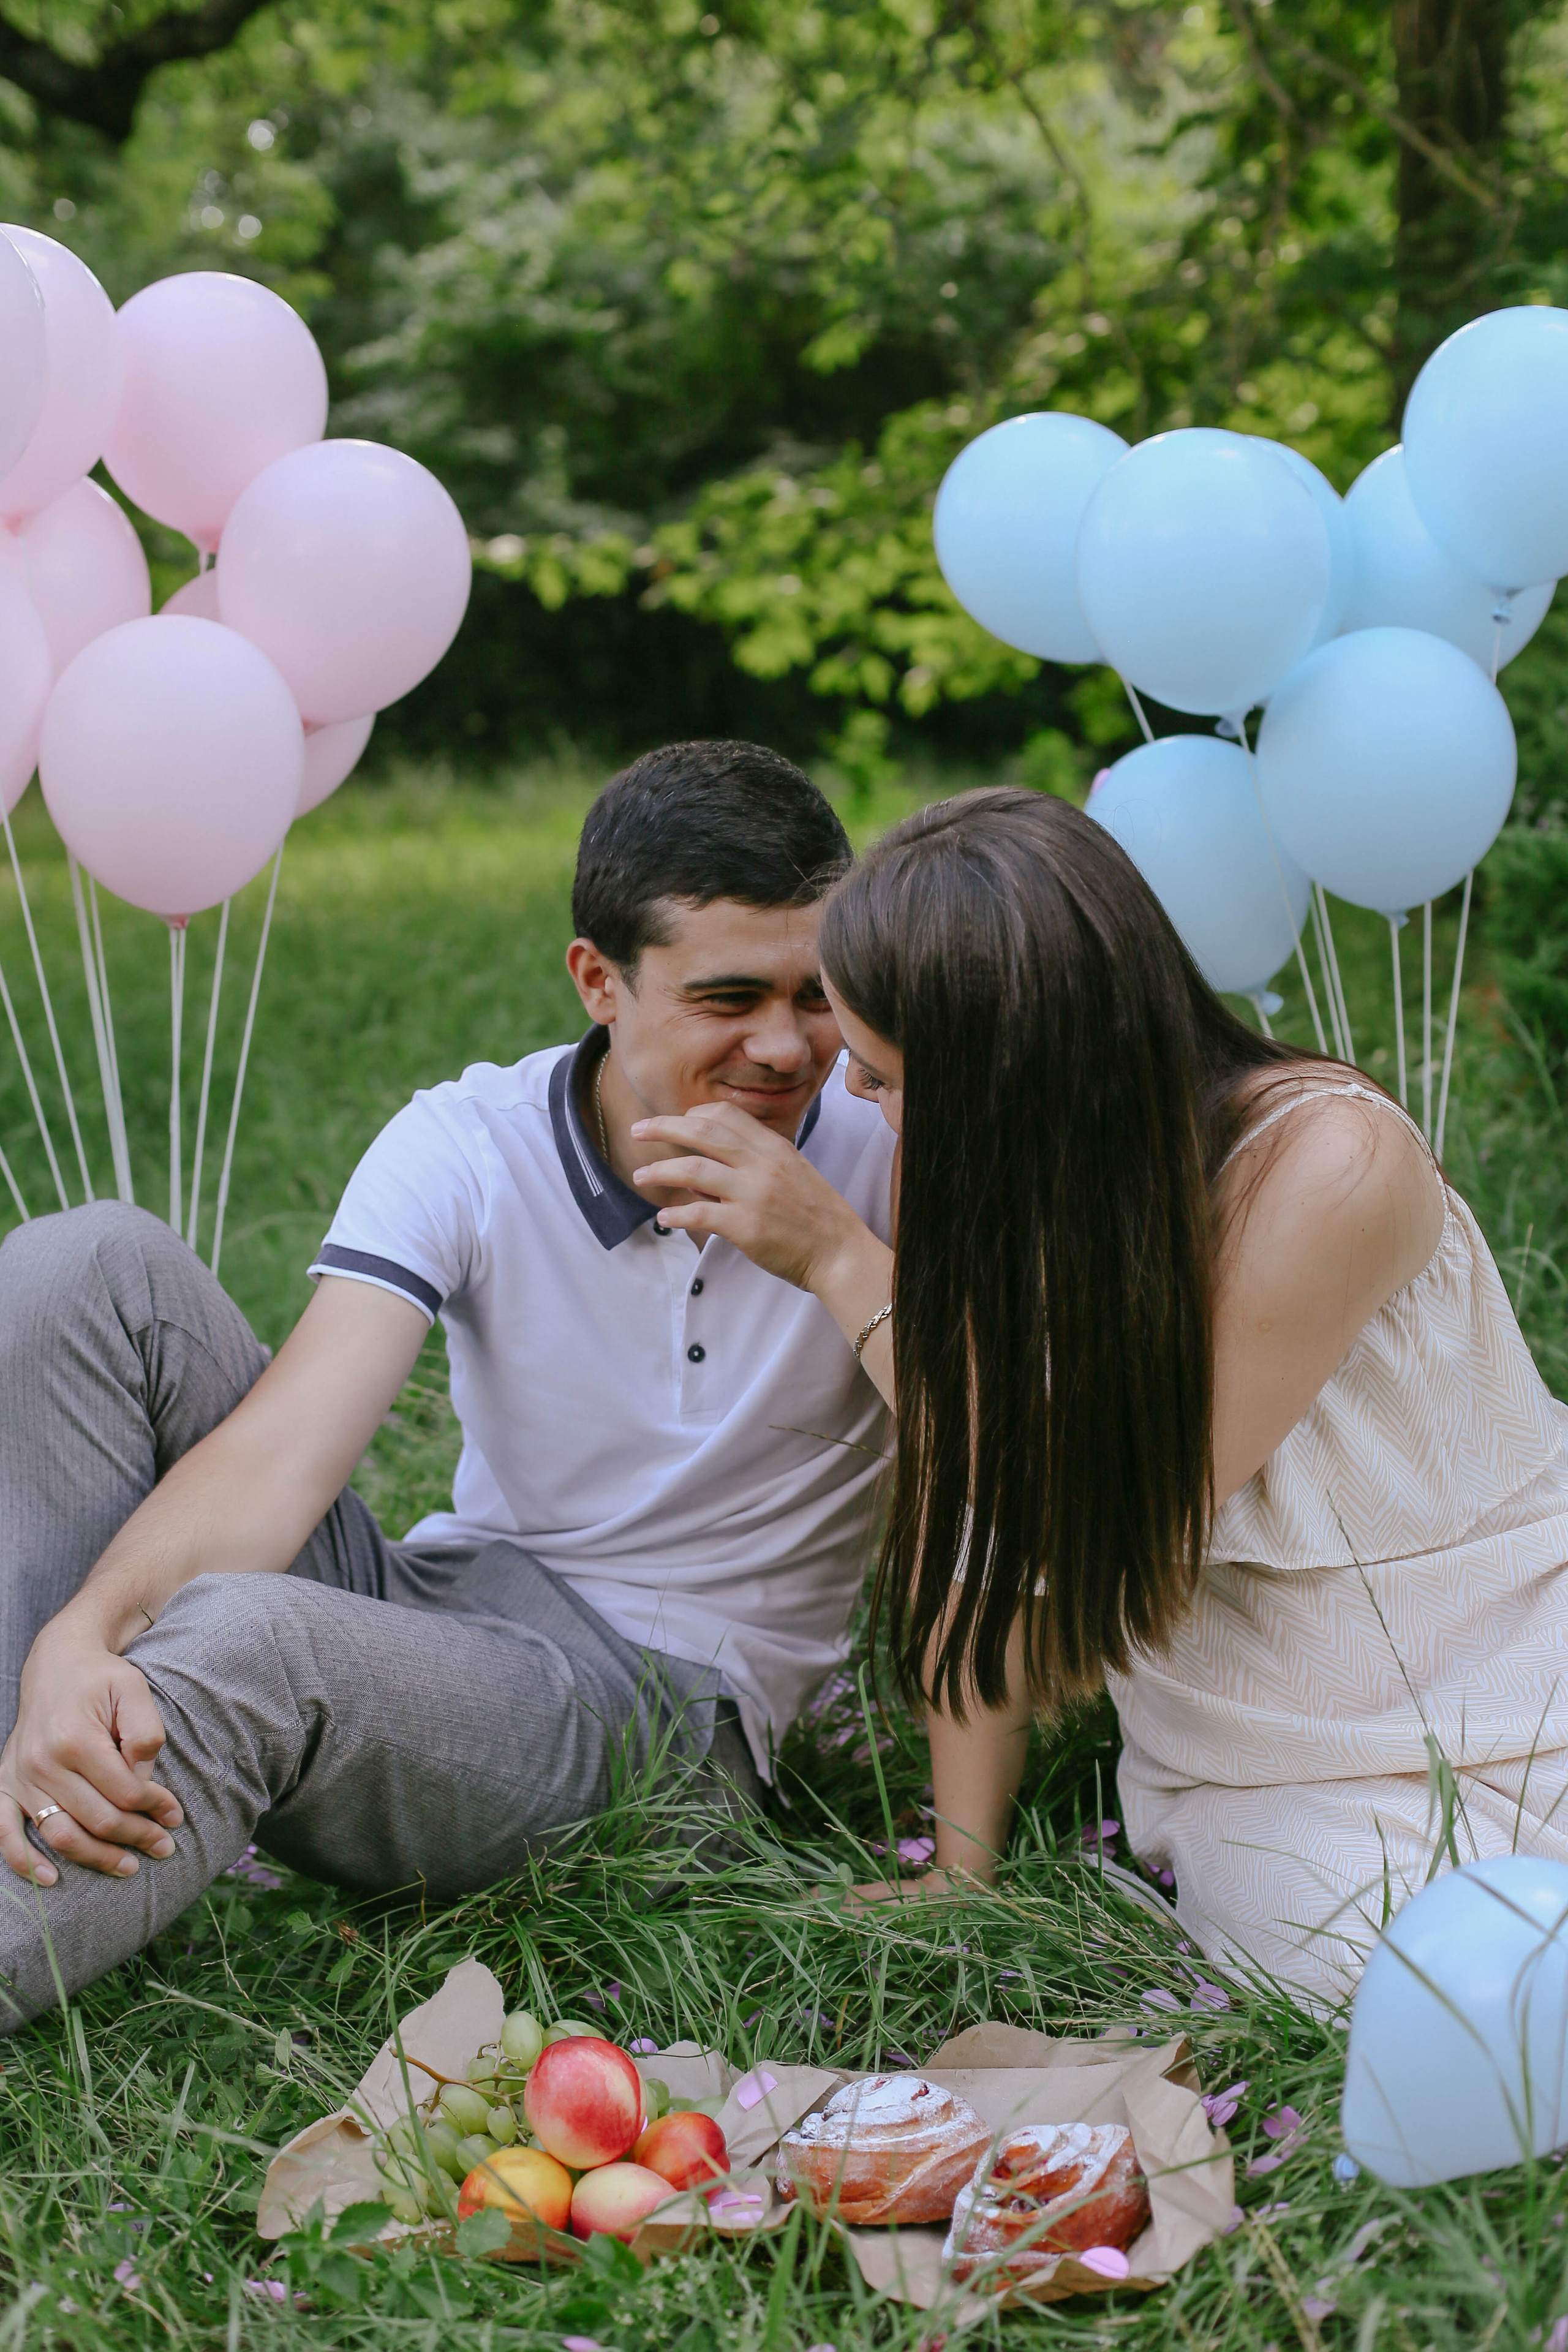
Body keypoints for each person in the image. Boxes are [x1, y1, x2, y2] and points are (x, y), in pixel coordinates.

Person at [0, 739, 895, 2029]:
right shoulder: (469, 1142)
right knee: (82, 1264)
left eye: (815, 994)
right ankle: (43, 1764)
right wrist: (80, 1634)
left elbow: (1007, 1452)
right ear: (598, 979)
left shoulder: (888, 1139)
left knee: (248, 1643)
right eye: (727, 997)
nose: (784, 1045)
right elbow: (286, 1452)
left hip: (661, 1714)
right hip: (452, 1608)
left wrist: (833, 1251)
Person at [626, 784, 1568, 2007]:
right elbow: (976, 1516)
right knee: (1391, 1975)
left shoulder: (1323, 1166)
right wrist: (961, 1861)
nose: (849, 1094)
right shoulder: (978, 1168)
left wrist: (842, 1267)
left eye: (877, 1068)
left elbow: (1095, 1511)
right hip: (1265, 1757)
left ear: (1002, 1074)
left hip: (1506, 1644)